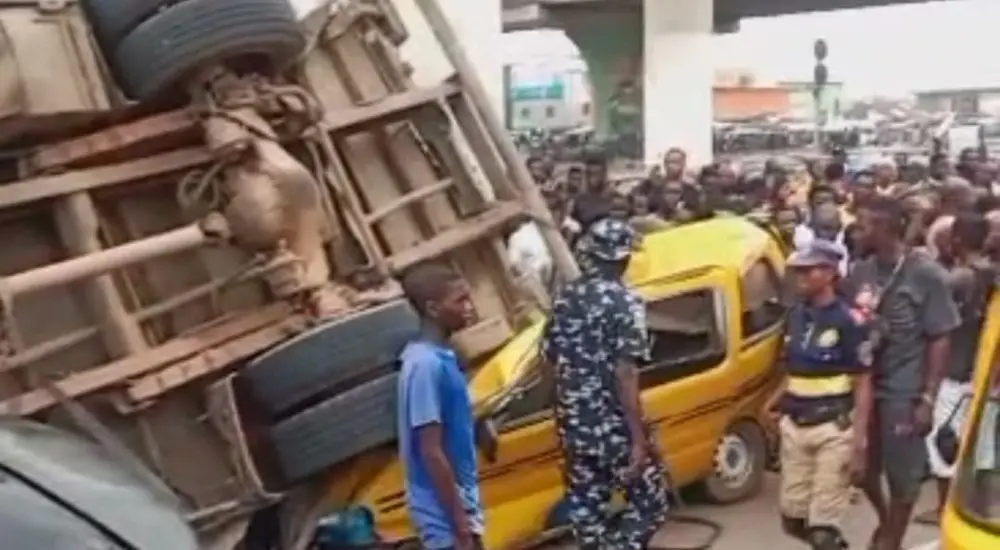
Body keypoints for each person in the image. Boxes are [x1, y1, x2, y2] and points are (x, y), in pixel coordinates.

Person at [542, 217, 668, 550]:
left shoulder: (565, 298)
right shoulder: (626, 304)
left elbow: (549, 362)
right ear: (624, 258)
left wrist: (562, 418)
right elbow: (626, 375)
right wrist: (639, 440)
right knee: (650, 505)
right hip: (614, 429)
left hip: (575, 427)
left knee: (586, 512)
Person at [849, 196, 961, 550]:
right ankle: (886, 519)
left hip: (905, 392)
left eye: (864, 225)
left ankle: (892, 538)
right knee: (863, 471)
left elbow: (940, 338)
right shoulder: (862, 271)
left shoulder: (925, 274)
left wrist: (927, 398)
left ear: (886, 229)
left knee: (903, 475)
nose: (856, 231)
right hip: (867, 388)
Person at [771, 240, 873, 550]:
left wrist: (859, 442)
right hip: (795, 426)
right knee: (792, 520)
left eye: (808, 269)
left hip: (833, 427)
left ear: (830, 272)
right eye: (798, 270)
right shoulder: (795, 315)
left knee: (822, 532)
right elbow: (794, 371)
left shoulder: (850, 321)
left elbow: (863, 381)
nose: (800, 276)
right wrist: (772, 404)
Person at [397, 264, 483, 550]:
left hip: (459, 513)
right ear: (432, 308)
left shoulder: (441, 357)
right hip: (445, 523)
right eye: (460, 301)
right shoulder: (425, 366)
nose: (469, 307)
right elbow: (431, 451)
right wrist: (460, 527)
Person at [916, 212, 993, 525]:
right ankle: (981, 505)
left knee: (943, 442)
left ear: (957, 239)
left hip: (954, 372)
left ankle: (944, 508)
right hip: (981, 370)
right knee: (979, 445)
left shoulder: (959, 277)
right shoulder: (991, 271)